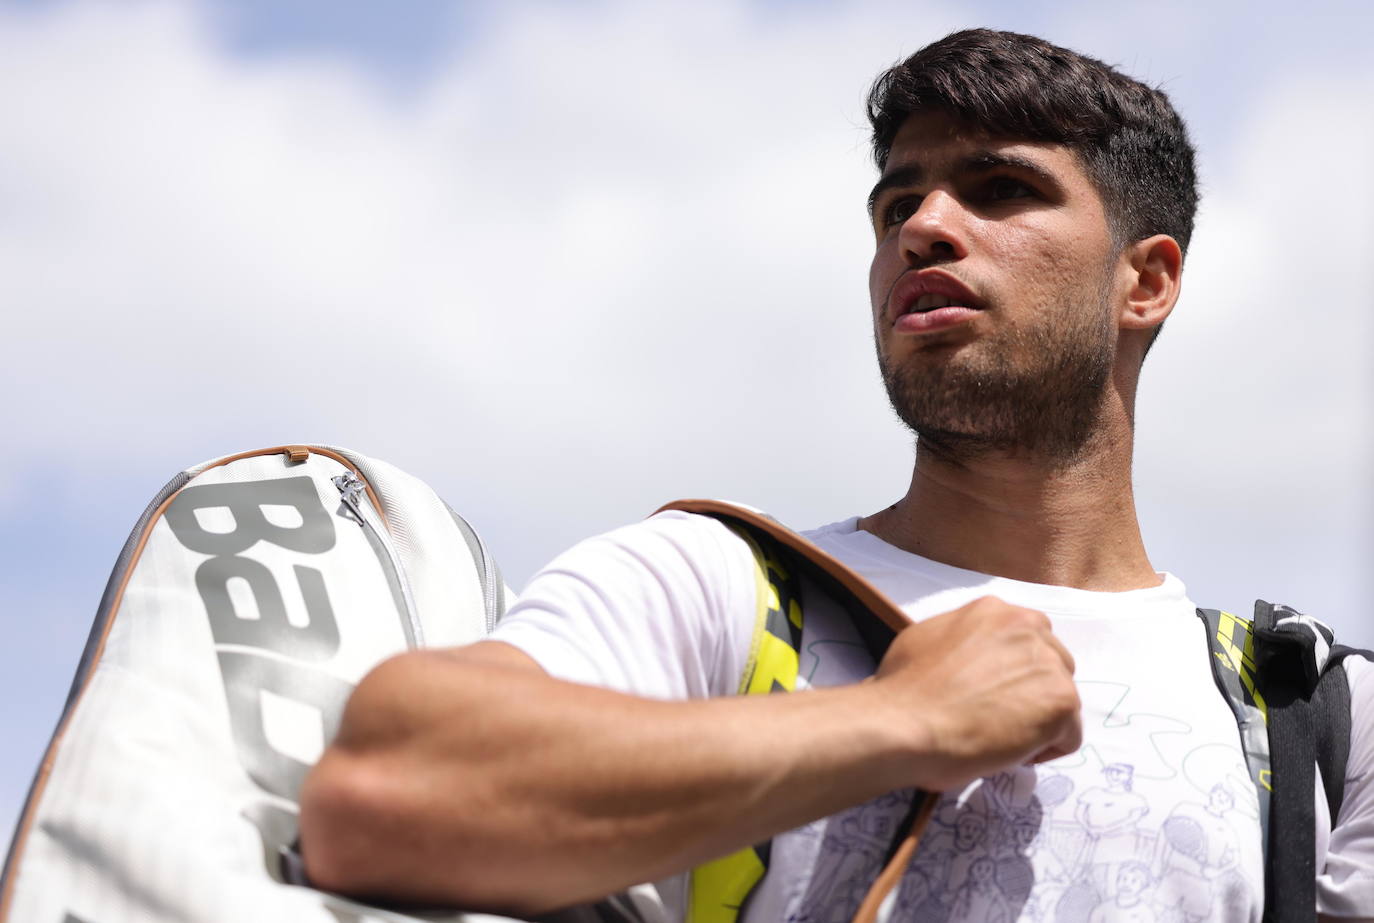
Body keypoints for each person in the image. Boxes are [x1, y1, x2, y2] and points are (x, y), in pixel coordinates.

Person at [297, 28, 1374, 922]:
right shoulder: (722, 584)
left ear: (1146, 281)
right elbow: (380, 796)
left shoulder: (1317, 717)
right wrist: (903, 723)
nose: (925, 230)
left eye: (1000, 189)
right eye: (896, 205)